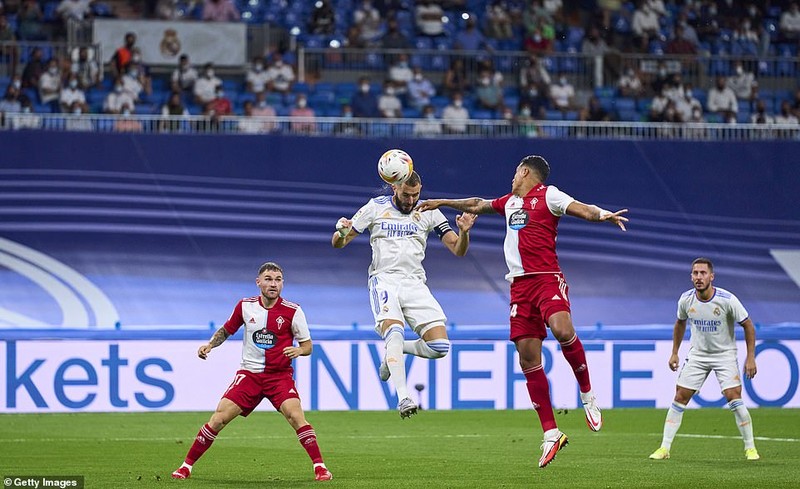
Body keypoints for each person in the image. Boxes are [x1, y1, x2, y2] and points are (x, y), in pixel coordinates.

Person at [416, 155, 629, 468]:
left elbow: (582, 209)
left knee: (562, 329)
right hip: (519, 287)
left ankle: (587, 395)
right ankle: (551, 433)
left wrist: (604, 215)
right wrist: (442, 202)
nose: (512, 177)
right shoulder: (510, 203)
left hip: (545, 278)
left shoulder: (550, 195)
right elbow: (477, 203)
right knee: (528, 357)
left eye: (515, 172)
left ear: (526, 172)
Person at [331, 171, 476, 418]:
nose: (411, 200)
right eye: (407, 195)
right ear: (394, 188)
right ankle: (403, 397)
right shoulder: (374, 208)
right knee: (394, 332)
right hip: (384, 281)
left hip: (415, 283)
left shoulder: (429, 211)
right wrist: (342, 232)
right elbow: (338, 243)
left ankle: (393, 355)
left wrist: (464, 232)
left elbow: (458, 250)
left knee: (440, 346)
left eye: (416, 194)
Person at [171, 262, 333, 482]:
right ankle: (185, 467)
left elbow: (308, 346)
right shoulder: (245, 306)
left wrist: (298, 350)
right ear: (258, 282)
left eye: (277, 280)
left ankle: (320, 468)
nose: (273, 284)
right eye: (268, 279)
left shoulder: (293, 311)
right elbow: (227, 329)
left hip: (279, 377)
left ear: (282, 283)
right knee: (218, 419)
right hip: (250, 375)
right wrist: (210, 345)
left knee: (296, 416)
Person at [649, 258, 759, 462]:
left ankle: (750, 448)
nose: (699, 277)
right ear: (691, 276)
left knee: (733, 395)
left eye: (703, 273)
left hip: (724, 354)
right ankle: (664, 448)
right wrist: (675, 352)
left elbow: (748, 325)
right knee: (680, 396)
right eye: (695, 273)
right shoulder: (686, 299)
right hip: (698, 354)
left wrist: (750, 357)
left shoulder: (727, 299)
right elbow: (680, 324)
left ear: (711, 276)